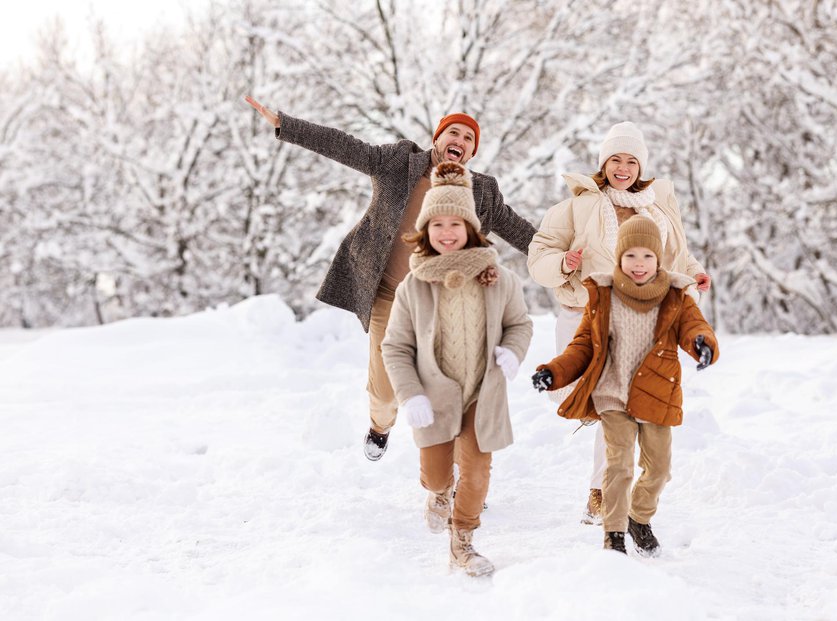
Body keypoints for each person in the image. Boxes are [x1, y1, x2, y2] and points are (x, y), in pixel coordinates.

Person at [245, 96, 536, 461]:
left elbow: (519, 230)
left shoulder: (482, 191)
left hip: (446, 304)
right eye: (453, 133)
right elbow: (345, 146)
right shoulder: (399, 162)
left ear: (472, 153)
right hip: (390, 296)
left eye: (468, 139)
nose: (459, 141)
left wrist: (561, 254)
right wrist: (285, 125)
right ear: (438, 138)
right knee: (384, 391)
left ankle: (462, 474)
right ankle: (380, 425)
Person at [526, 121, 711, 524]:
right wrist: (562, 263)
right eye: (615, 160)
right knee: (591, 399)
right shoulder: (577, 206)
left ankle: (601, 492)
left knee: (619, 403)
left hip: (639, 316)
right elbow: (538, 255)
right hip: (583, 314)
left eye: (631, 161)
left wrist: (694, 273)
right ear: (603, 163)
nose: (623, 168)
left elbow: (676, 252)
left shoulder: (657, 206)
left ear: (640, 165)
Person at [531, 215, 718, 555]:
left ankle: (639, 518)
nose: (639, 264)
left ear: (658, 259)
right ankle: (614, 535)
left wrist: (703, 345)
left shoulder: (676, 296)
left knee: (659, 468)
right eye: (631, 255)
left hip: (658, 394)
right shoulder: (603, 296)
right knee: (618, 465)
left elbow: (695, 328)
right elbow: (581, 347)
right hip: (612, 394)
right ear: (619, 258)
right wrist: (554, 372)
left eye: (647, 256)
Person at [381, 162, 532, 576]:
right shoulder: (413, 286)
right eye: (437, 224)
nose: (447, 233)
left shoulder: (498, 278)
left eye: (456, 223)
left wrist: (514, 351)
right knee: (435, 474)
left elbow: (520, 323)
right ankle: (437, 493)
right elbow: (395, 346)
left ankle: (462, 542)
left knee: (478, 471)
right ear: (425, 230)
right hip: (433, 394)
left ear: (471, 227)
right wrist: (409, 394)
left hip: (482, 394)